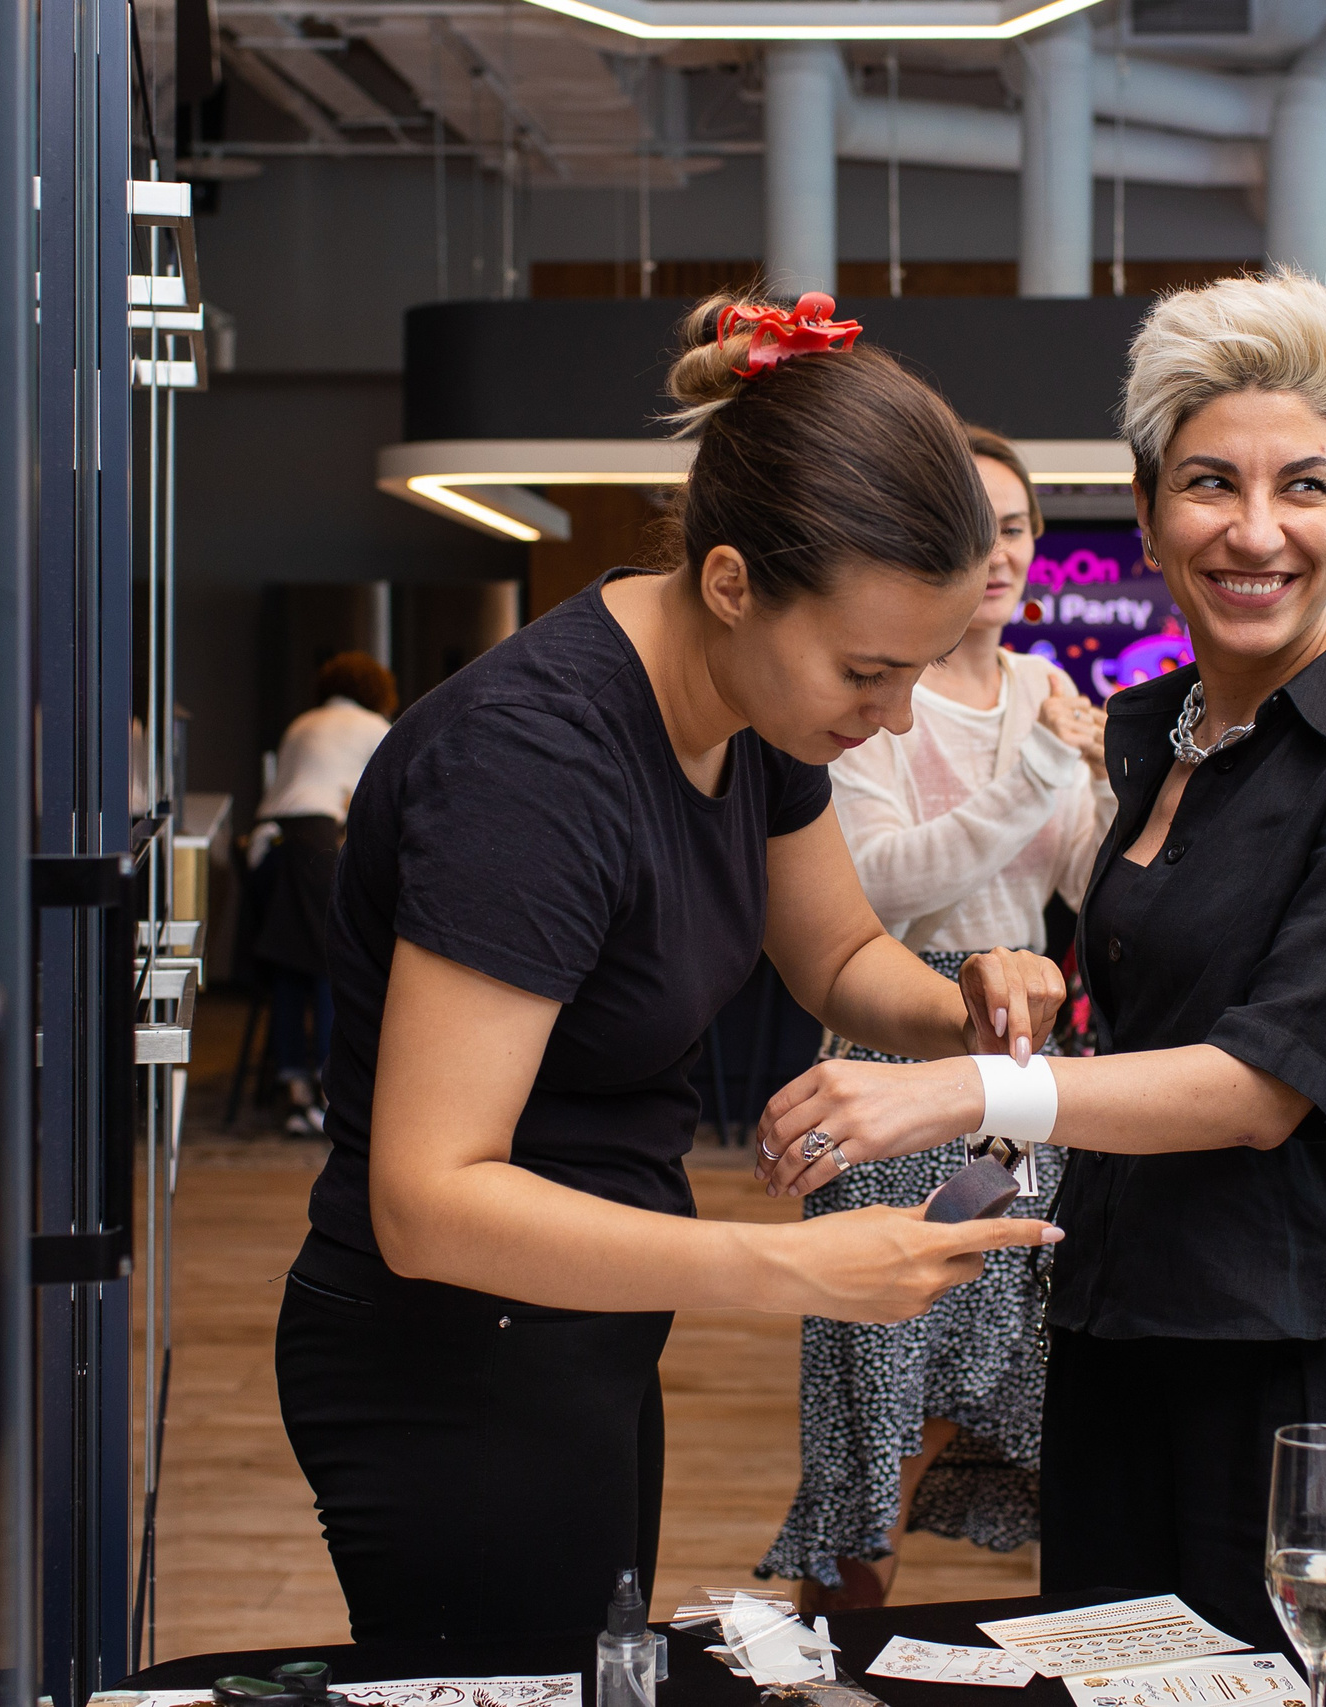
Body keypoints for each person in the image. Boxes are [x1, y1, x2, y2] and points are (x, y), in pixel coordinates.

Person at [755, 269, 1326, 1707]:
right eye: (1212, 483)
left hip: (1314, 1366)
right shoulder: (1155, 733)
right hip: (1121, 1329)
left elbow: (1260, 1084)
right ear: (1152, 506)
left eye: (1305, 485)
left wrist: (958, 1088)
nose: (1257, 528)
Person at [273, 291, 1070, 1648]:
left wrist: (968, 995)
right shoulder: (535, 764)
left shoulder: (757, 709)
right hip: (452, 1350)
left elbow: (836, 951)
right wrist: (801, 1269)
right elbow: (428, 1197)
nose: (886, 716)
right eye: (870, 671)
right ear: (729, 583)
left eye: (916, 672)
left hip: (583, 1318)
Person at [758, 428, 1114, 1611]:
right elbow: (878, 886)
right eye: (978, 528)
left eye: (1015, 528)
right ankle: (840, 1657)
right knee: (882, 1394)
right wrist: (1034, 780)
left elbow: (1076, 883)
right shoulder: (873, 696)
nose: (999, 552)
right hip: (893, 1046)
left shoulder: (1050, 694)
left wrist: (1107, 788)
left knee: (1010, 1372)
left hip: (1019, 1067)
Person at [249, 651, 396, 1133]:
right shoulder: (373, 726)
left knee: (293, 963)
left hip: (266, 848)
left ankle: (295, 1088)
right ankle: (332, 1089)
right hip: (317, 842)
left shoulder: (302, 722)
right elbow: (381, 800)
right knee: (335, 959)